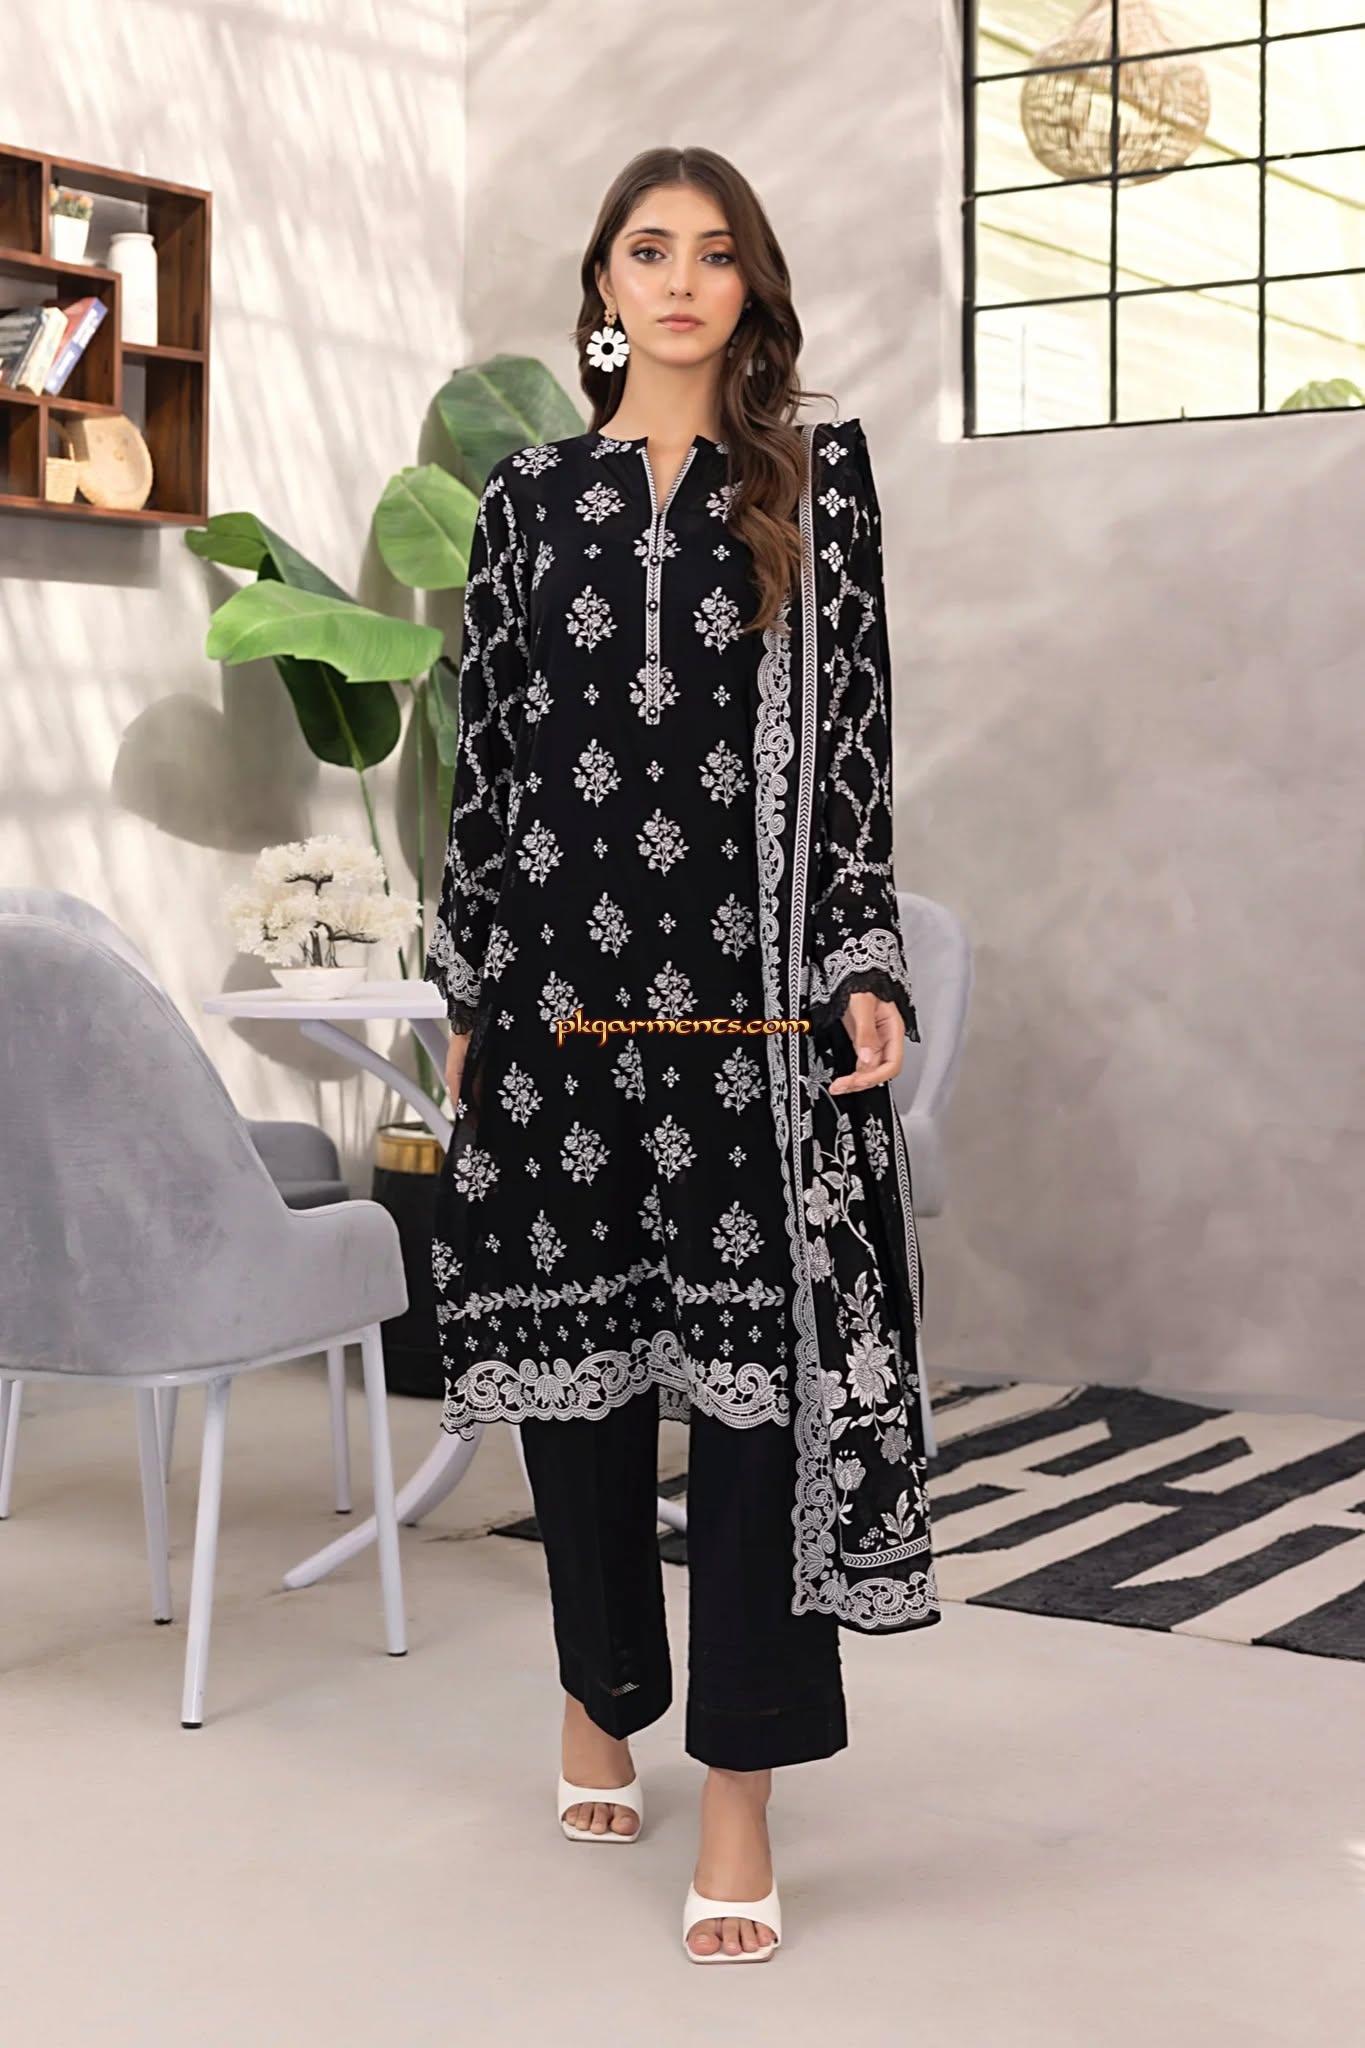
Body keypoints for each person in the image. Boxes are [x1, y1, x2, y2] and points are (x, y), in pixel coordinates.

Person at [425, 144, 940, 1965]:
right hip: (563, 1018)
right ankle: (597, 1690)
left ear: (750, 288)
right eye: (647, 250)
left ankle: (737, 1791)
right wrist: (471, 992)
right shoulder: (525, 497)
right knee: (575, 1397)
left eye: (714, 255)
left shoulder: (814, 475)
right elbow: (490, 764)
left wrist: (859, 961)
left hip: (746, 1023)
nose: (678, 280)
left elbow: (856, 743)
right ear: (602, 284)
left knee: (751, 1416)